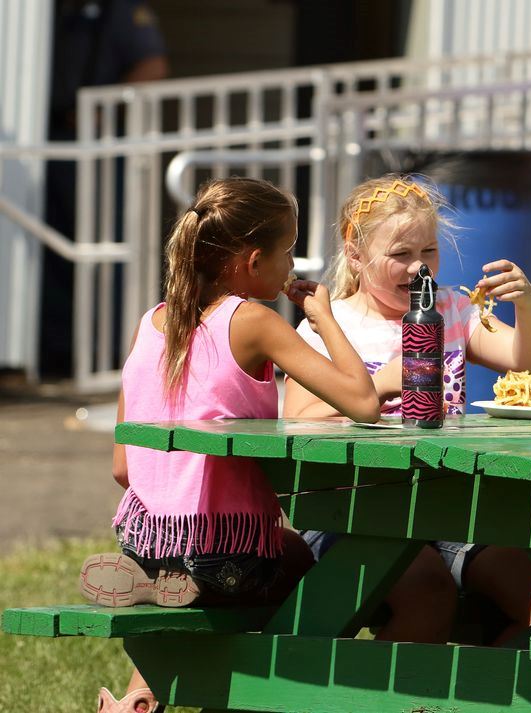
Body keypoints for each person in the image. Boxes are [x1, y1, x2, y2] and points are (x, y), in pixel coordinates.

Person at [79, 177, 379, 712]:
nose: (292, 266)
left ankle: (140, 696)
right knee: (323, 571)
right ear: (252, 260)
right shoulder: (253, 321)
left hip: (143, 542)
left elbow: (124, 468)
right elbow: (362, 401)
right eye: (287, 253)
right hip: (224, 555)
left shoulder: (151, 324)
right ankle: (258, 696)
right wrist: (325, 319)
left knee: (209, 586)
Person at [282, 174, 531, 644]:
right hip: (353, 507)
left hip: (449, 506)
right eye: (400, 255)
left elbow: (528, 360)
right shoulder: (331, 324)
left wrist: (526, 303)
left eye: (428, 252)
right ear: (356, 256)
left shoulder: (451, 309)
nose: (418, 268)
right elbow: (297, 417)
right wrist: (375, 388)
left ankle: (480, 696)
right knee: (427, 593)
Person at [43, 0, 170, 376]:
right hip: (53, 138)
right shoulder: (57, 12)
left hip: (98, 147)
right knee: (52, 255)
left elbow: (153, 66)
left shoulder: (122, 12)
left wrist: (101, 113)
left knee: (108, 252)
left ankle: (114, 355)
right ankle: (57, 353)